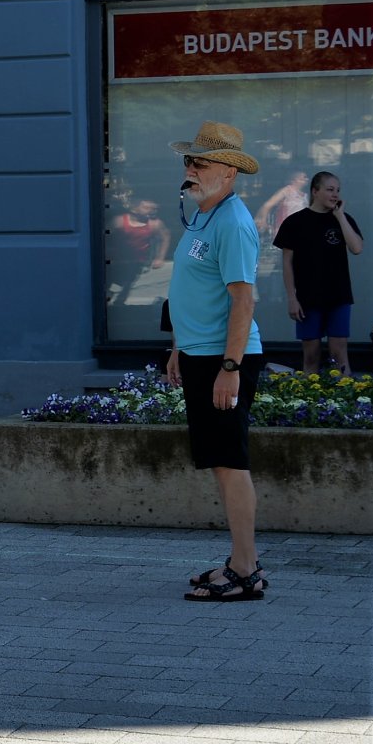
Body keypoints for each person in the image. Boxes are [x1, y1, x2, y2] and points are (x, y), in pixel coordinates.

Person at [166, 122, 269, 603]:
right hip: (200, 354)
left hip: (224, 359)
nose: (190, 169)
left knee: (230, 463)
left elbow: (243, 301)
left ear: (228, 172)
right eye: (189, 161)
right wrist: (178, 348)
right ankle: (239, 561)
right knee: (220, 462)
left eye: (200, 163)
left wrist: (230, 369)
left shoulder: (233, 222)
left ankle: (246, 571)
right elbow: (192, 290)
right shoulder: (202, 215)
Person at [274, 171, 363, 375]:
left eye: (338, 190)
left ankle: (344, 393)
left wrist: (340, 217)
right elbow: (287, 263)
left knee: (339, 353)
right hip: (308, 298)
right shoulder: (295, 222)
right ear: (315, 191)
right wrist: (292, 298)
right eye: (330, 190)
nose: (335, 194)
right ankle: (309, 394)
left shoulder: (343, 219)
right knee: (311, 354)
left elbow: (357, 248)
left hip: (339, 296)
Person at [108, 196, 170, 306]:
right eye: (146, 208)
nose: (151, 210)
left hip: (138, 260)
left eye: (154, 208)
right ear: (134, 209)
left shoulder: (154, 224)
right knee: (112, 280)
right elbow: (105, 237)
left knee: (129, 280)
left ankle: (120, 301)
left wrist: (160, 258)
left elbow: (165, 237)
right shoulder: (120, 221)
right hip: (118, 258)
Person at [254, 169, 309, 239]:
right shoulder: (286, 191)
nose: (306, 179)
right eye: (302, 178)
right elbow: (267, 205)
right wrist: (263, 221)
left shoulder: (305, 196)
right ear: (294, 180)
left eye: (306, 178)